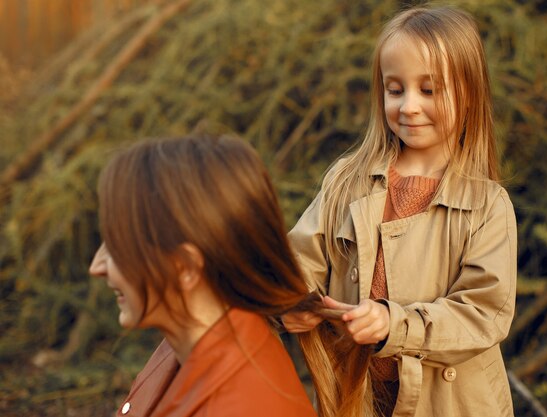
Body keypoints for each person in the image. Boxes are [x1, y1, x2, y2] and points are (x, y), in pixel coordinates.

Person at [283, 4, 517, 417]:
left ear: (470, 93)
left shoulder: (487, 205)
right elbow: (300, 259)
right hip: (356, 399)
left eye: (429, 90)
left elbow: (483, 314)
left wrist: (394, 324)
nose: (409, 106)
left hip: (451, 406)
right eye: (396, 89)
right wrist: (292, 301)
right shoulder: (346, 180)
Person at [89, 134, 318, 417]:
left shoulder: (243, 404)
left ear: (184, 267)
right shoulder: (183, 347)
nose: (96, 266)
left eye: (117, 244)